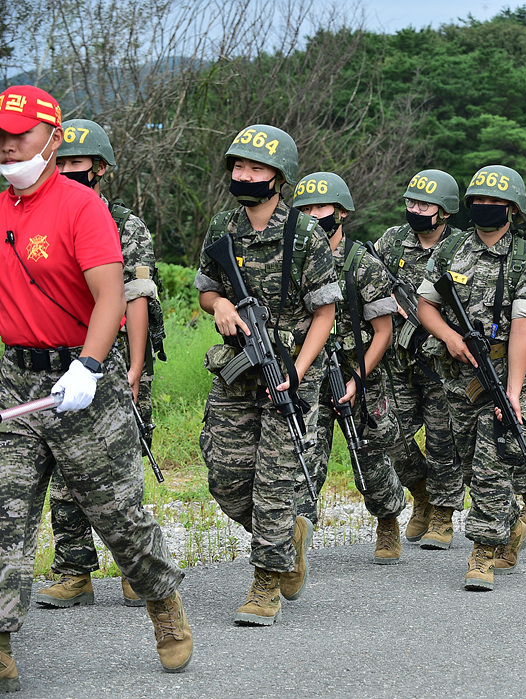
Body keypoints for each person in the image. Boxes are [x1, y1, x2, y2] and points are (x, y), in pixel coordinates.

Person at [0, 85, 192, 688]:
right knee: (6, 517)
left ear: (53, 139)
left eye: (19, 136)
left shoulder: (83, 209)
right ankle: (1, 637)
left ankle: (162, 600)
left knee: (118, 515)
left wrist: (90, 364)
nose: (8, 148)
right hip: (15, 381)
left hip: (79, 382)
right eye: (0, 138)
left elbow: (112, 294)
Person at [196, 125, 339, 624]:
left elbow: (325, 314)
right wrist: (221, 306)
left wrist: (298, 372)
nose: (244, 175)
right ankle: (288, 538)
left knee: (275, 484)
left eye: (255, 168)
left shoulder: (305, 235)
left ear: (280, 177)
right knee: (228, 478)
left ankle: (266, 582)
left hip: (290, 376)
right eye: (238, 167)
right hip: (239, 374)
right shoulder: (223, 226)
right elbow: (206, 290)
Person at [34, 118, 162, 609]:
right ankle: (74, 571)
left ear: (101, 168)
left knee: (120, 468)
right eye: (61, 161)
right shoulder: (41, 216)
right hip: (60, 360)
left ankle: (135, 571)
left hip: (115, 361)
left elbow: (134, 299)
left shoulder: (126, 226)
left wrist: (132, 370)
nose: (67, 171)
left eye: (77, 163)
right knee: (65, 469)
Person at [417, 164, 526, 590]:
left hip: (505, 373)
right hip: (458, 376)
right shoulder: (451, 248)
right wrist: (451, 338)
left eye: (494, 203)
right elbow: (425, 306)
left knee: (494, 464)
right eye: (478, 202)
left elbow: (523, 327)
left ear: (511, 209)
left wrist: (511, 391)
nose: (485, 208)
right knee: (471, 465)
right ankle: (509, 527)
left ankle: (482, 554)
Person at [292, 172, 406, 563]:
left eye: (320, 208)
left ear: (341, 212)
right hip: (311, 375)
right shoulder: (297, 259)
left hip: (359, 374)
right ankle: (296, 536)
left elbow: (383, 331)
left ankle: (388, 520)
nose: (312, 215)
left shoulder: (362, 263)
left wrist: (359, 379)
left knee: (369, 459)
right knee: (304, 457)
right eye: (304, 209)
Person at [373, 170, 462, 550]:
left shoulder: (462, 247)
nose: (415, 210)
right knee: (393, 436)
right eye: (410, 203)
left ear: (444, 212)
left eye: (424, 204)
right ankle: (421, 492)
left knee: (444, 440)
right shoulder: (393, 241)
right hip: (396, 359)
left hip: (443, 361)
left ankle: (442, 514)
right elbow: (367, 276)